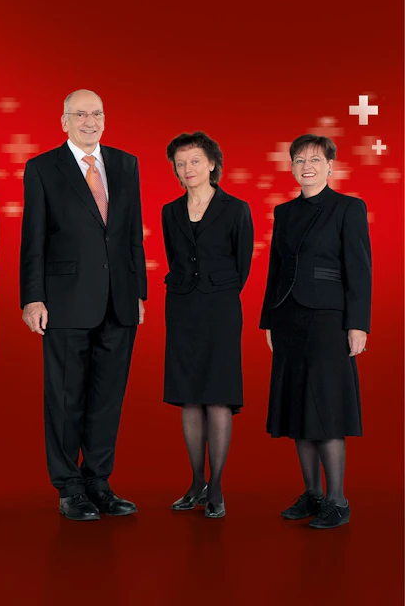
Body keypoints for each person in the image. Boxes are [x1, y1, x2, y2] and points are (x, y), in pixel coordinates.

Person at [19, 89, 147, 521]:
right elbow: (33, 237)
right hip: (65, 301)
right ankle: (68, 487)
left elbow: (132, 235)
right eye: (80, 114)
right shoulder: (42, 168)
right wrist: (33, 297)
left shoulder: (126, 165)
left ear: (105, 119)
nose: (89, 121)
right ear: (64, 121)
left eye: (96, 114)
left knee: (107, 397)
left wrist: (139, 291)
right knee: (65, 395)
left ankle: (98, 481)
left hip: (118, 301)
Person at [260, 134, 370, 530]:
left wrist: (357, 324)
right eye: (299, 160)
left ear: (330, 165)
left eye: (315, 159)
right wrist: (268, 319)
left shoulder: (349, 207)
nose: (307, 165)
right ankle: (313, 494)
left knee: (325, 404)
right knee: (296, 406)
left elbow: (359, 268)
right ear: (291, 167)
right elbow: (275, 269)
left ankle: (338, 500)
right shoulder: (284, 212)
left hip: (328, 318)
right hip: (287, 317)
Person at [161, 132, 252, 519]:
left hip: (220, 310)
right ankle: (196, 482)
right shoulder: (170, 211)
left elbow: (242, 264)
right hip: (181, 308)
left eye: (195, 161)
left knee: (217, 396)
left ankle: (216, 486)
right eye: (180, 164)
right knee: (189, 396)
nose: (187, 169)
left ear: (212, 163)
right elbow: (174, 256)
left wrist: (218, 290)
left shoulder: (236, 208)